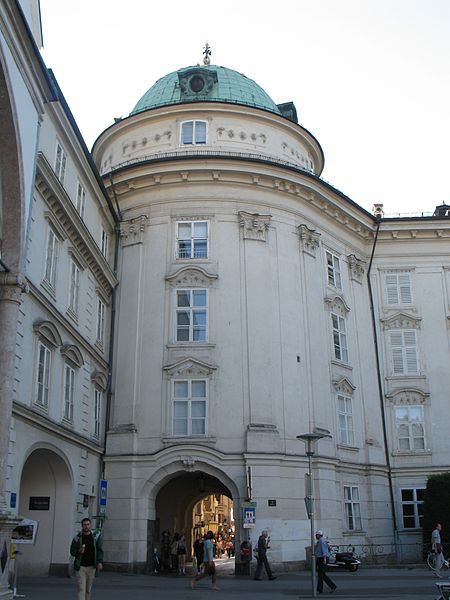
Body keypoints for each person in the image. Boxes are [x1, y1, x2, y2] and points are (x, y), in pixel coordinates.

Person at [70, 517, 103, 600]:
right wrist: (79, 551)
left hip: (92, 567)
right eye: (84, 525)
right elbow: (72, 552)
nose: (86, 526)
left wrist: (99, 562)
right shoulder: (77, 538)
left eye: (88, 524)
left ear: (90, 525)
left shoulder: (95, 537)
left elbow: (100, 550)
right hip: (80, 567)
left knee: (88, 590)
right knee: (81, 589)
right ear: (82, 526)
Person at [314, 529, 336, 594]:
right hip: (321, 559)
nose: (315, 536)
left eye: (316, 535)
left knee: (321, 575)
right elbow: (329, 548)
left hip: (322, 559)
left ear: (318, 535)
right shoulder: (322, 540)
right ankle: (331, 586)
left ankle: (321, 589)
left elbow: (324, 551)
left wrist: (324, 559)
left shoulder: (321, 541)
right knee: (322, 575)